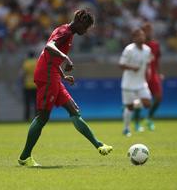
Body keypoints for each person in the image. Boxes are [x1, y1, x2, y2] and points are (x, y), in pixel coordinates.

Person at [18, 9, 113, 167]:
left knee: (74, 111)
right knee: (43, 117)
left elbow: (51, 57)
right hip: (47, 75)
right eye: (86, 27)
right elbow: (49, 46)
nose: (86, 30)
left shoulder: (67, 32)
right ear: (80, 22)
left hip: (53, 74)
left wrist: (62, 76)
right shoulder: (65, 32)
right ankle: (25, 156)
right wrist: (65, 57)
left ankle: (99, 145)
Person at [119, 29, 152, 137]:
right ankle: (126, 129)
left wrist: (149, 72)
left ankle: (134, 104)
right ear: (134, 38)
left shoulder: (147, 50)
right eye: (139, 36)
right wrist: (132, 67)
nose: (142, 38)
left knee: (147, 104)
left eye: (143, 35)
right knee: (130, 108)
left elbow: (148, 63)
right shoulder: (129, 49)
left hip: (141, 83)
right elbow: (121, 65)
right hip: (128, 84)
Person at [133, 22, 163, 131]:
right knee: (139, 101)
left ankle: (149, 118)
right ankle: (136, 123)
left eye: (150, 30)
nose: (149, 32)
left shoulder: (155, 45)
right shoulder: (138, 46)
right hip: (141, 75)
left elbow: (157, 60)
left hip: (153, 75)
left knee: (158, 97)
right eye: (146, 30)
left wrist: (159, 73)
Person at [21, 51, 38, 120]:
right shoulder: (37, 62)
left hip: (27, 85)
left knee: (27, 103)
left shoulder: (26, 63)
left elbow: (22, 74)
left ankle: (27, 118)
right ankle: (37, 118)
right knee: (36, 104)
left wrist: (22, 82)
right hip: (36, 85)